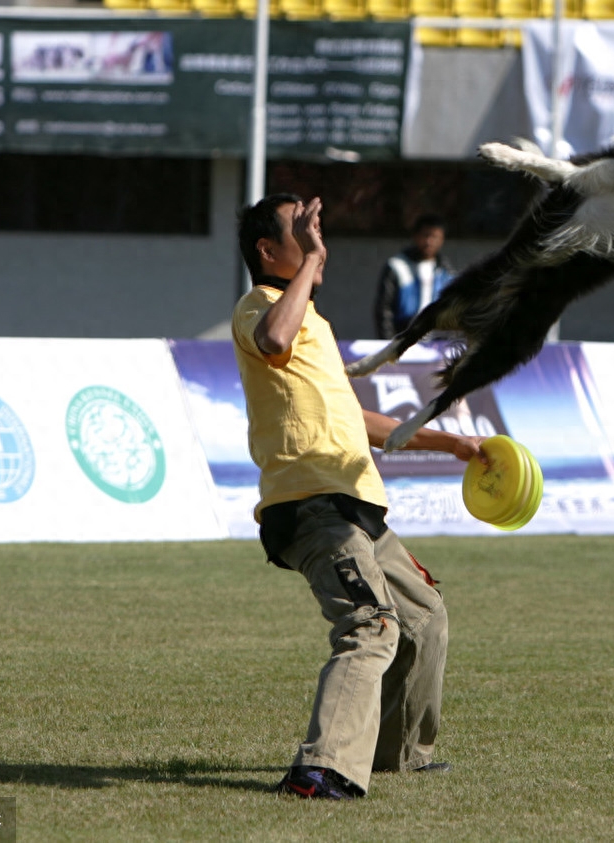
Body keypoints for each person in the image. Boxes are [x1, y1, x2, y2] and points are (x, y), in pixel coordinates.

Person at [231, 193, 486, 801]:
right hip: (311, 505)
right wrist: (314, 264)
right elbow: (272, 338)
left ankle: (398, 756)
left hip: (354, 505)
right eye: (302, 227)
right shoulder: (257, 309)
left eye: (316, 224)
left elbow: (352, 416)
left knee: (422, 616)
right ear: (269, 251)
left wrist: (445, 441)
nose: (318, 233)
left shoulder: (313, 322)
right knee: (370, 625)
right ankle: (320, 770)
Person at [374, 213, 455, 339]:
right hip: (402, 337)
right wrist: (389, 343)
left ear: (442, 239)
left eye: (434, 237)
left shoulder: (447, 273)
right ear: (416, 236)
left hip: (437, 344)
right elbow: (384, 310)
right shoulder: (397, 266)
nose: (429, 242)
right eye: (425, 235)